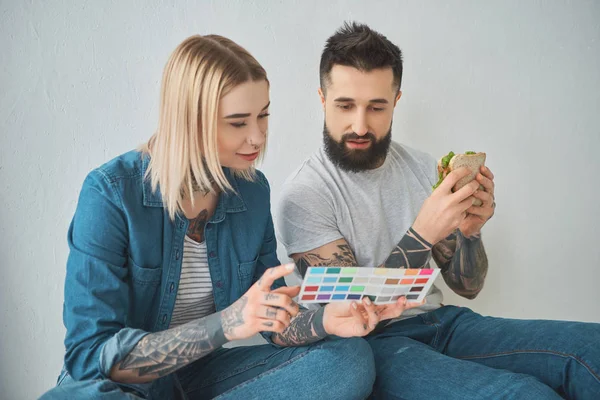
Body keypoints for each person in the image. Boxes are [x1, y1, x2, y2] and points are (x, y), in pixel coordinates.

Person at [39, 34, 399, 400]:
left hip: (202, 378)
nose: (257, 137)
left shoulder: (252, 191)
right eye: (238, 123)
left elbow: (275, 318)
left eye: (263, 115)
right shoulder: (111, 193)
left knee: (348, 359)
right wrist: (226, 324)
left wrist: (325, 319)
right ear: (188, 120)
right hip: (120, 384)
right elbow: (89, 357)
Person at [276, 22, 600, 399]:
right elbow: (355, 311)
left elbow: (469, 286)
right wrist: (422, 233)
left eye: (376, 107)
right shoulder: (304, 194)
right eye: (345, 105)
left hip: (441, 322)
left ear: (396, 101)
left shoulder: (421, 166)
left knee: (591, 349)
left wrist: (469, 233)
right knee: (524, 394)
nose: (360, 124)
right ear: (321, 98)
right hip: (370, 348)